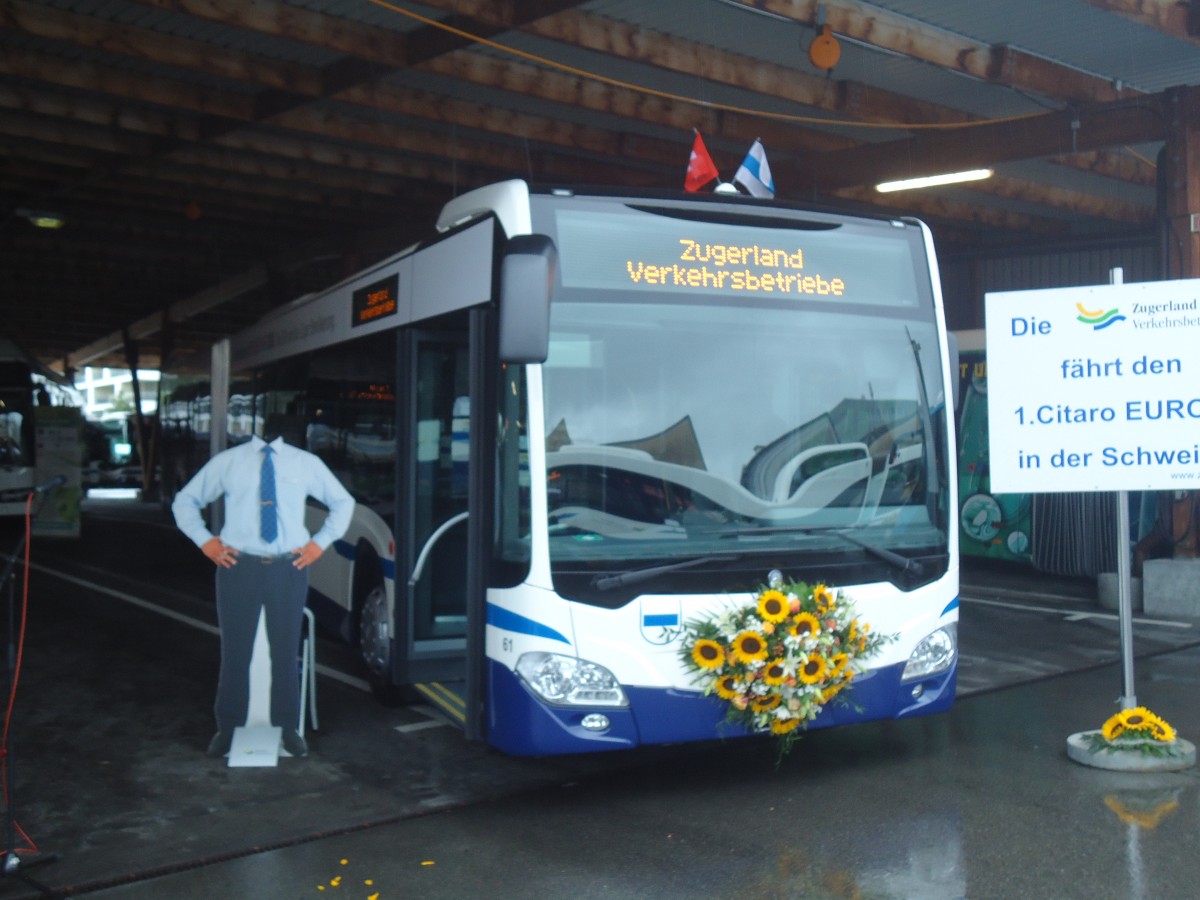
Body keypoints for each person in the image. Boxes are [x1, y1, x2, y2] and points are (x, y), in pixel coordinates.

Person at [172, 431, 354, 759]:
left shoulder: (305, 463)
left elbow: (343, 502)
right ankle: (228, 728)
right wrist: (205, 541)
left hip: (289, 567)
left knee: (285, 651)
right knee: (235, 651)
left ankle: (287, 728)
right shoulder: (229, 462)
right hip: (238, 566)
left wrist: (319, 544)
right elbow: (185, 500)